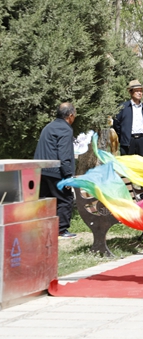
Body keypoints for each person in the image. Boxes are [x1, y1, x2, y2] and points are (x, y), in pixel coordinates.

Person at [34, 102, 77, 238]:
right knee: (65, 199)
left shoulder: (49, 126)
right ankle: (61, 230)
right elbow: (64, 155)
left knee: (46, 200)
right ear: (70, 115)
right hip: (56, 172)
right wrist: (68, 175)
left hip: (42, 170)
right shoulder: (65, 129)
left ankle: (43, 229)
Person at [113, 80, 143, 157]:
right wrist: (124, 136)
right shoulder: (123, 107)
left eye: (141, 91)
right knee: (127, 163)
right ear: (131, 92)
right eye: (137, 91)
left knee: (142, 163)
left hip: (142, 141)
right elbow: (116, 124)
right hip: (128, 140)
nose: (139, 93)